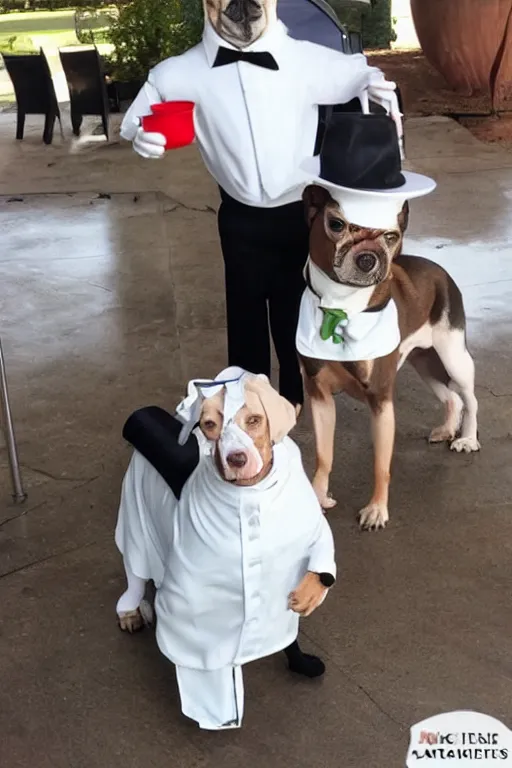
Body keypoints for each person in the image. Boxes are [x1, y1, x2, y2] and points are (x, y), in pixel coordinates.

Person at [120, 0, 400, 412]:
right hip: (239, 216)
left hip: (299, 213)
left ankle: (296, 398)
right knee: (245, 313)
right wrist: (143, 134)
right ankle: (248, 403)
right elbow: (136, 116)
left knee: (296, 308)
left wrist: (374, 82)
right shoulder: (181, 72)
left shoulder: (306, 61)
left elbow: (359, 72)